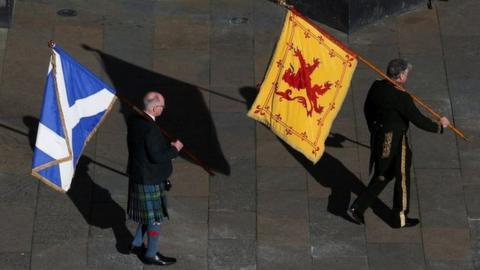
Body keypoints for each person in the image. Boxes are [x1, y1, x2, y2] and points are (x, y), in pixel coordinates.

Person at [349, 59, 450, 228]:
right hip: (396, 142)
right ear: (400, 76)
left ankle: (358, 207)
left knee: (384, 174)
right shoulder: (401, 97)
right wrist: (440, 126)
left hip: (379, 137)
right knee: (402, 177)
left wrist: (374, 128)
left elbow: (367, 108)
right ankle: (399, 217)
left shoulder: (377, 85)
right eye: (406, 74)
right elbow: (419, 120)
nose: (407, 77)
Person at [126, 91, 183, 265]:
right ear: (155, 108)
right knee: (155, 219)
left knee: (147, 215)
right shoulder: (150, 128)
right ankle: (151, 254)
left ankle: (136, 244)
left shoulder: (135, 120)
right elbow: (157, 156)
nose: (163, 109)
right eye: (162, 106)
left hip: (141, 174)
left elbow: (147, 149)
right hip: (149, 177)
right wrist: (175, 150)